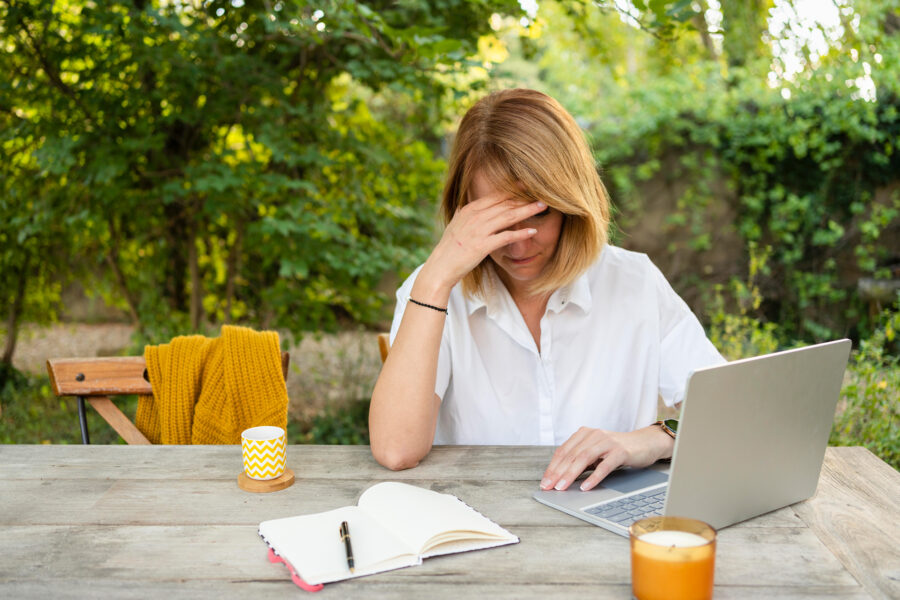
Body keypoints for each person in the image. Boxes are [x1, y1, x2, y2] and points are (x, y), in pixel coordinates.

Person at [369, 88, 724, 491]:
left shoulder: (634, 282)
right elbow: (396, 450)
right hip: (474, 527)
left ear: (571, 203)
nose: (519, 245)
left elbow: (730, 410)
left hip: (607, 531)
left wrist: (652, 439)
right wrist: (433, 282)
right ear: (463, 210)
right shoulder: (431, 291)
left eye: (538, 213)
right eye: (497, 222)